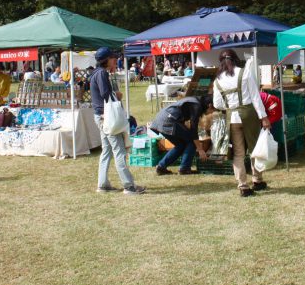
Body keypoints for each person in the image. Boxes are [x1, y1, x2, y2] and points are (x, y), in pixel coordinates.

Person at [212, 50, 271, 197]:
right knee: (254, 149)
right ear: (236, 59)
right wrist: (263, 117)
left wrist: (230, 105)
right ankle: (257, 180)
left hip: (232, 117)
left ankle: (243, 186)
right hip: (248, 114)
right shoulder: (244, 72)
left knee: (238, 153)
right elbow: (255, 97)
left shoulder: (218, 80)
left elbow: (217, 104)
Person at [91, 47, 145, 195]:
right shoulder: (102, 73)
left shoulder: (96, 73)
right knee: (119, 151)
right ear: (106, 60)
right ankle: (129, 186)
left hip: (101, 116)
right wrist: (117, 94)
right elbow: (106, 95)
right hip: (107, 117)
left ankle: (102, 185)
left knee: (107, 151)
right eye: (113, 58)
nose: (115, 60)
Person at [151, 95, 214, 175]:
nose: (211, 113)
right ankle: (184, 168)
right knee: (192, 141)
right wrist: (200, 149)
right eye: (213, 110)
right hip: (168, 121)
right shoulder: (196, 105)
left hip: (161, 121)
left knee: (181, 145)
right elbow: (193, 129)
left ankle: (161, 167)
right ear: (210, 105)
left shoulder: (195, 101)